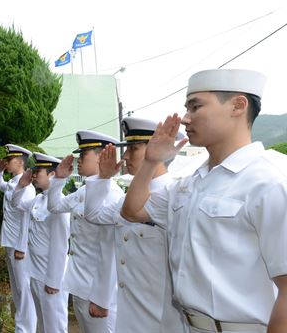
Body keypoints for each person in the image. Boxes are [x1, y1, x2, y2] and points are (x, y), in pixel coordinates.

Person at [121, 69, 287, 333]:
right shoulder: (191, 182)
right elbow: (132, 211)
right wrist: (151, 161)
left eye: (195, 106)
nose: (186, 118)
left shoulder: (269, 182)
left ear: (238, 105)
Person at [84, 117, 188, 333]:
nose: (125, 156)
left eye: (133, 149)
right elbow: (94, 215)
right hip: (130, 316)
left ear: (161, 149)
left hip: (162, 320)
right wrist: (102, 178)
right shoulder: (127, 198)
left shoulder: (176, 196)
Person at [48, 130, 123, 333]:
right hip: (80, 285)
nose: (78, 162)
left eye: (84, 156)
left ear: (102, 157)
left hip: (97, 293)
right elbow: (55, 207)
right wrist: (59, 180)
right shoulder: (84, 191)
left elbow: (111, 253)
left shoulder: (113, 195)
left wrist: (102, 298)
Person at [11, 152, 70, 332]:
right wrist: (21, 185)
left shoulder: (60, 205)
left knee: (55, 325)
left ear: (52, 174)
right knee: (43, 324)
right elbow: (16, 204)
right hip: (35, 271)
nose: (34, 175)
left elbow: (61, 245)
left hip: (51, 275)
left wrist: (53, 280)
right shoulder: (39, 199)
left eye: (38, 171)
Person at [0, 144, 37, 332]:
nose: (7, 162)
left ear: (20, 162)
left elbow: (26, 220)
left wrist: (21, 247)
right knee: (17, 289)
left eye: (9, 160)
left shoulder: (27, 188)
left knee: (24, 290)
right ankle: (21, 327)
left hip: (20, 247)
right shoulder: (14, 183)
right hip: (10, 243)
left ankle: (26, 328)